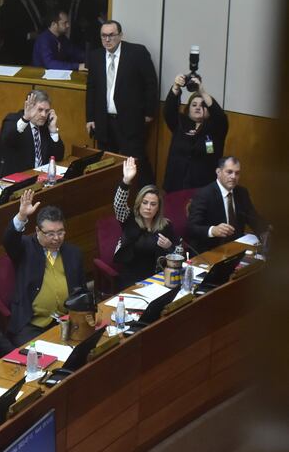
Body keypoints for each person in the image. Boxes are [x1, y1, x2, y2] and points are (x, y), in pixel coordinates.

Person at [3, 191, 87, 345]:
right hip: (31, 324)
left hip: (67, 320)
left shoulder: (74, 253)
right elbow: (9, 240)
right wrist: (21, 216)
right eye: (50, 234)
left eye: (60, 232)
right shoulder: (25, 247)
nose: (56, 238)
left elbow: (82, 290)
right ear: (37, 231)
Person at [85, 20, 158, 187]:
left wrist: (149, 113)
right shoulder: (96, 56)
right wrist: (90, 117)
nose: (107, 39)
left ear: (120, 35)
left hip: (130, 120)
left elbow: (150, 83)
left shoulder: (136, 53)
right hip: (104, 121)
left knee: (136, 162)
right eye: (104, 36)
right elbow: (92, 89)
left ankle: (147, 196)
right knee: (106, 163)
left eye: (111, 35)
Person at [113, 157, 176, 290]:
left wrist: (170, 247)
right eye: (145, 202)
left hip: (158, 279)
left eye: (153, 204)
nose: (148, 207)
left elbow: (178, 253)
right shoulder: (129, 219)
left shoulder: (165, 226)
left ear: (158, 208)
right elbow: (118, 205)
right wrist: (126, 181)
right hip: (131, 280)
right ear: (139, 203)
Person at [187, 156, 270, 254]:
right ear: (218, 172)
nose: (233, 177)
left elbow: (253, 218)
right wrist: (213, 230)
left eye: (237, 173)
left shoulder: (242, 192)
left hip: (236, 248)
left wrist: (265, 230)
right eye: (229, 172)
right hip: (210, 250)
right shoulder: (204, 194)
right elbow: (192, 228)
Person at [163, 74, 229, 192]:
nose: (198, 107)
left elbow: (220, 116)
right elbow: (168, 111)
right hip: (175, 185)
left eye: (203, 105)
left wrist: (202, 91)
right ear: (188, 109)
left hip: (202, 188)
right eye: (194, 105)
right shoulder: (180, 124)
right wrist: (176, 87)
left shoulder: (216, 128)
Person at [0, 89, 65, 177]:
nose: (44, 115)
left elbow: (59, 156)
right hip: (13, 178)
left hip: (38, 177)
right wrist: (25, 119)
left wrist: (53, 130)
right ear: (29, 108)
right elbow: (7, 140)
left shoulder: (45, 126)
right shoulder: (12, 120)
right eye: (40, 110)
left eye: (47, 111)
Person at [0, 0, 44, 64]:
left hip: (42, 46)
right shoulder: (8, 7)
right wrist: (29, 35)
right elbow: (7, 32)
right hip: (23, 52)